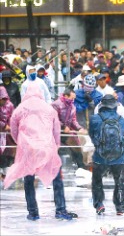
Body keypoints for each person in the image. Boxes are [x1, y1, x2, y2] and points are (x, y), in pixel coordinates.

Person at [4, 83, 77, 220]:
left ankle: (33, 212)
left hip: (28, 149)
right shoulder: (48, 108)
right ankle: (60, 210)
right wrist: (56, 145)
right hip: (46, 147)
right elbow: (56, 129)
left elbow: (13, 128)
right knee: (56, 177)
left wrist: (20, 141)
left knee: (29, 179)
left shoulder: (20, 108)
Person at [89, 94, 124, 216]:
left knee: (97, 180)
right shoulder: (121, 120)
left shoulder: (94, 118)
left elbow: (92, 135)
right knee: (119, 181)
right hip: (118, 156)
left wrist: (99, 146)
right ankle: (120, 207)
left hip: (100, 156)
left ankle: (99, 204)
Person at [51, 88, 88, 170]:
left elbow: (73, 120)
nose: (73, 100)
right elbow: (53, 119)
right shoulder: (55, 105)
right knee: (54, 151)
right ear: (66, 96)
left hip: (67, 132)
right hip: (55, 132)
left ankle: (81, 167)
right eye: (72, 98)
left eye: (74, 99)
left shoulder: (72, 107)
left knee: (76, 147)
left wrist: (79, 129)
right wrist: (63, 126)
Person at [0, 86, 16, 179]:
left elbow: (12, 116)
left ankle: (6, 172)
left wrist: (9, 126)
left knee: (8, 151)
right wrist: (3, 125)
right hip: (2, 130)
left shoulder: (10, 105)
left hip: (7, 132)